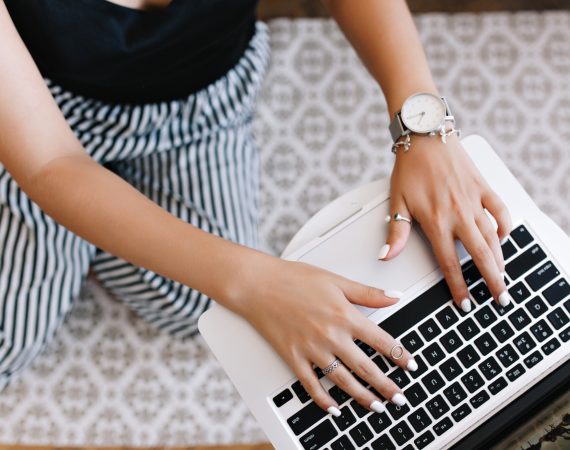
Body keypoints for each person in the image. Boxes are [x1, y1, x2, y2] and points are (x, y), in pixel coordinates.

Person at [0, 0, 512, 418]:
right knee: (8, 345)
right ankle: (80, 208)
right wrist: (256, 281)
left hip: (202, 102)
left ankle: (93, 215)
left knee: (195, 310)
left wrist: (420, 120)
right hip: (34, 112)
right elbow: (49, 163)